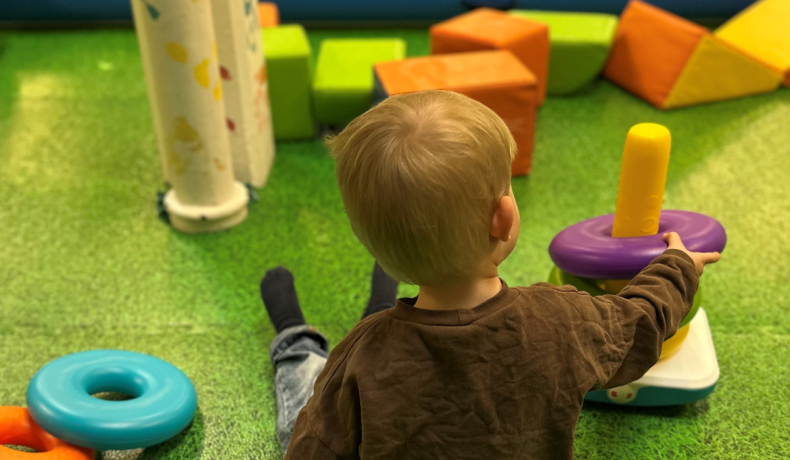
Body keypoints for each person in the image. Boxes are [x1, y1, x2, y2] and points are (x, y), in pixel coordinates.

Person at [262, 90, 721, 459]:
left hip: (370, 349)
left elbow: (313, 447)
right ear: (503, 218)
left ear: (371, 243)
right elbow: (640, 322)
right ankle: (370, 306)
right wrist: (678, 265)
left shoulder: (361, 355)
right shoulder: (562, 321)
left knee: (307, 395)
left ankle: (297, 335)